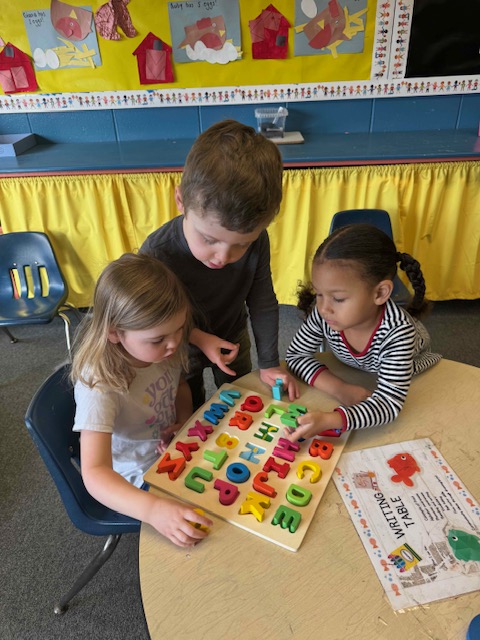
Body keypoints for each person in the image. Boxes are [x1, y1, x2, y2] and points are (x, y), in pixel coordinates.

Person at [140, 119, 299, 409]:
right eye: (209, 239)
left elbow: (262, 302)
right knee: (190, 411)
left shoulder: (258, 240)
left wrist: (269, 363)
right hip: (177, 346)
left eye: (242, 244)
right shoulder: (157, 253)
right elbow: (152, 319)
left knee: (241, 403)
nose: (223, 257)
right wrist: (199, 338)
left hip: (232, 335)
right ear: (180, 200)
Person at [71, 253, 212, 547]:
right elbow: (95, 473)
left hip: (172, 451)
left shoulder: (161, 350)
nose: (174, 343)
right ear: (114, 333)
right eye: (158, 339)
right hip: (134, 477)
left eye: (179, 330)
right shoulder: (99, 385)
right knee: (208, 527)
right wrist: (153, 510)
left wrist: (182, 421)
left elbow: (178, 386)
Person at [285, 223, 442, 441]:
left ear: (380, 293)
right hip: (357, 368)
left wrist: (333, 419)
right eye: (319, 293)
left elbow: (389, 403)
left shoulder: (398, 333)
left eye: (338, 298)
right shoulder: (326, 313)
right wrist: (339, 388)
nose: (323, 308)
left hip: (413, 364)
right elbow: (295, 355)